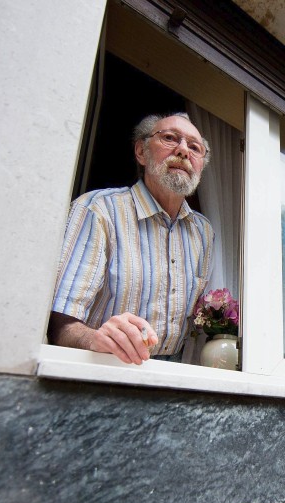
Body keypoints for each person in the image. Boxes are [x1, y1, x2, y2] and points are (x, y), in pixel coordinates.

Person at [48, 112, 214, 365]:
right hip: (101, 368)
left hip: (175, 377)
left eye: (195, 147)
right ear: (141, 152)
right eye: (170, 138)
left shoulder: (203, 231)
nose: (183, 151)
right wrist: (94, 339)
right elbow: (60, 323)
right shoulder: (97, 210)